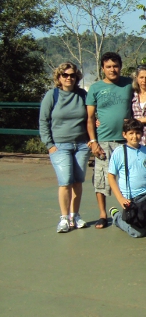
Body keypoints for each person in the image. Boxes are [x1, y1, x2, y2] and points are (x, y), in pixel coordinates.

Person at [86, 52, 139, 229]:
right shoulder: (95, 88)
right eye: (108, 66)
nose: (112, 70)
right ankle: (103, 214)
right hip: (104, 140)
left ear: (120, 67)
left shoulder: (129, 84)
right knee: (101, 178)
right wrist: (93, 141)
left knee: (127, 178)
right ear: (103, 68)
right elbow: (90, 117)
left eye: (115, 66)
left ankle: (128, 210)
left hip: (126, 141)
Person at [39, 62, 89, 232]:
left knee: (78, 181)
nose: (69, 78)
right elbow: (43, 121)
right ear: (59, 77)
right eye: (65, 75)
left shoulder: (82, 95)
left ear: (76, 77)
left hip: (81, 145)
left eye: (72, 75)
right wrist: (49, 145)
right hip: (60, 145)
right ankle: (64, 218)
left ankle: (75, 215)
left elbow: (90, 117)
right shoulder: (52, 95)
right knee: (65, 181)